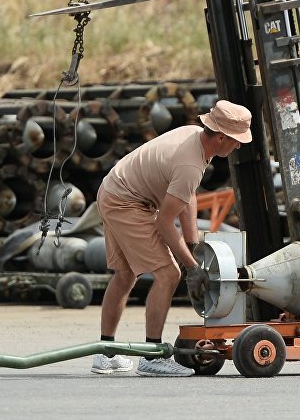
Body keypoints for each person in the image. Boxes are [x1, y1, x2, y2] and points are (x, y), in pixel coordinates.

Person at [91, 99, 252, 377]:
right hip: (126, 202)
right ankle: (151, 356)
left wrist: (192, 244)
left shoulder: (195, 137)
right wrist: (191, 267)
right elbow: (165, 223)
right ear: (222, 137)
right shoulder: (191, 163)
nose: (239, 146)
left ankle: (106, 354)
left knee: (125, 274)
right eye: (237, 141)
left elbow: (186, 195)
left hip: (113, 190)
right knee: (168, 274)